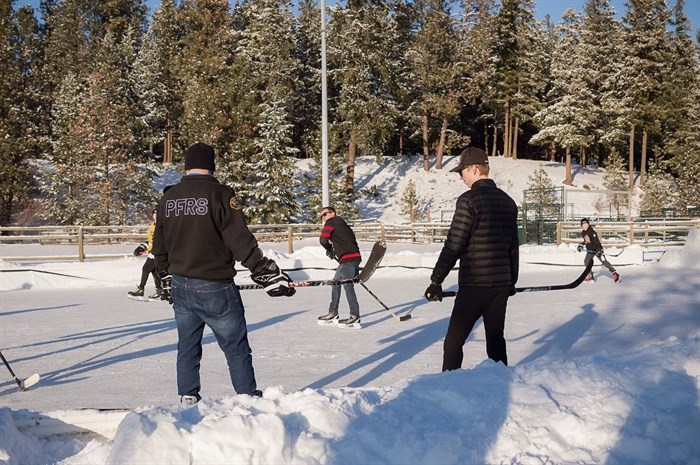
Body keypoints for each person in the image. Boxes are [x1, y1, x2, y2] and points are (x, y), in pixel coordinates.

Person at [152, 142, 296, 404]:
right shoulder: (219, 194)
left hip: (181, 284)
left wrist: (164, 277)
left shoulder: (168, 198)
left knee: (187, 345)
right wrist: (265, 272)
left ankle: (188, 397)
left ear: (186, 166)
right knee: (235, 346)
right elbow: (239, 239)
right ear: (212, 165)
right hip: (214, 284)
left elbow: (158, 246)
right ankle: (247, 399)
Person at [424, 146, 519, 370]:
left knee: (454, 341)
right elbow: (513, 247)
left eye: (462, 171)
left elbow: (454, 244)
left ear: (474, 169)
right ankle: (499, 384)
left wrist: (436, 281)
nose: (460, 176)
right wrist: (511, 281)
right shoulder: (508, 201)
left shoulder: (469, 200)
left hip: (475, 283)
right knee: (496, 341)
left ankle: (449, 386)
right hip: (500, 284)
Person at [317, 206, 362, 327]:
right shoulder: (343, 225)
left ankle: (354, 316)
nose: (323, 218)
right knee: (335, 282)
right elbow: (349, 241)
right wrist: (335, 251)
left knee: (348, 286)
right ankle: (333, 312)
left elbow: (323, 240)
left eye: (325, 214)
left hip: (348, 259)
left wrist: (329, 249)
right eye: (322, 216)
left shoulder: (332, 222)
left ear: (332, 213)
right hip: (352, 258)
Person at [128, 208, 162, 300]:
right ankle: (160, 291)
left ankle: (141, 290)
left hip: (158, 252)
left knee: (146, 269)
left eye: (158, 213)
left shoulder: (162, 226)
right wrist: (141, 247)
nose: (156, 215)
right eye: (154, 213)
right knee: (154, 271)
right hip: (153, 252)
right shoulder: (152, 226)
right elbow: (150, 241)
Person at [578, 218, 620, 283]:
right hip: (590, 250)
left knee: (604, 262)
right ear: (581, 226)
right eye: (583, 224)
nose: (585, 225)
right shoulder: (583, 233)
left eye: (586, 224)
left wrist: (598, 250)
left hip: (597, 249)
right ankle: (590, 275)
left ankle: (614, 273)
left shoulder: (592, 232)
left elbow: (596, 242)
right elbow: (587, 241)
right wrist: (581, 245)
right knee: (586, 261)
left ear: (588, 224)